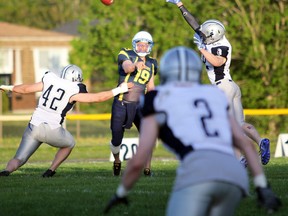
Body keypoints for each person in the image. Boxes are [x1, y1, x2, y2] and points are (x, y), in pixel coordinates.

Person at [103, 46, 281, 216]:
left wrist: (121, 192)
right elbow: (245, 145)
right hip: (233, 176)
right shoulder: (213, 95)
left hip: (198, 173)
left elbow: (139, 159)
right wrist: (262, 186)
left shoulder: (158, 99)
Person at [166, 0, 270, 166]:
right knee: (239, 124)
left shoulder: (220, 46)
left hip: (223, 87)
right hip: (231, 86)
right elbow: (195, 25)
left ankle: (239, 159)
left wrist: (202, 49)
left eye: (206, 35)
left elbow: (217, 61)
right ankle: (261, 141)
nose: (203, 35)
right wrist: (180, 5)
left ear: (213, 35)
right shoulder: (215, 38)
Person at [0, 64, 131, 177]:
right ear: (77, 79)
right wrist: (120, 89)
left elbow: (25, 89)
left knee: (19, 159)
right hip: (53, 130)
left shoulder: (50, 79)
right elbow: (97, 98)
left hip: (33, 127)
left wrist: (7, 87)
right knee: (69, 143)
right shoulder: (74, 89)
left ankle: (6, 171)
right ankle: (50, 170)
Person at [110, 31, 158, 176]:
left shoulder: (152, 63)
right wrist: (135, 65)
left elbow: (150, 86)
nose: (142, 48)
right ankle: (117, 160)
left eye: (145, 45)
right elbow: (127, 67)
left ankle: (147, 168)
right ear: (134, 44)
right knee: (116, 138)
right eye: (140, 44)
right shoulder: (126, 53)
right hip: (121, 102)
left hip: (140, 105)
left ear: (149, 46)